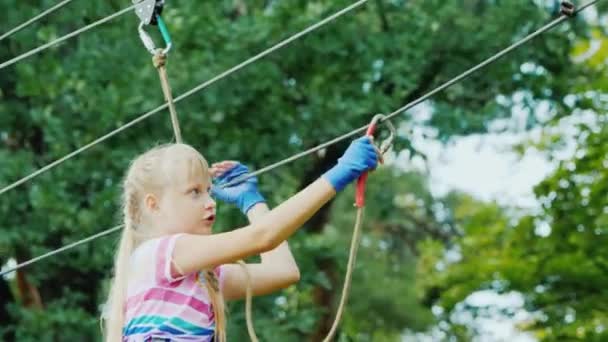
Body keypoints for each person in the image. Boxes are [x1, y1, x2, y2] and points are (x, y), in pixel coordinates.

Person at [102, 136, 379, 341]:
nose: (211, 202)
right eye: (194, 192)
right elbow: (263, 236)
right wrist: (341, 172)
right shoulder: (161, 252)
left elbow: (283, 271)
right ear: (154, 205)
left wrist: (252, 203)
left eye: (209, 191)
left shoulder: (204, 277)